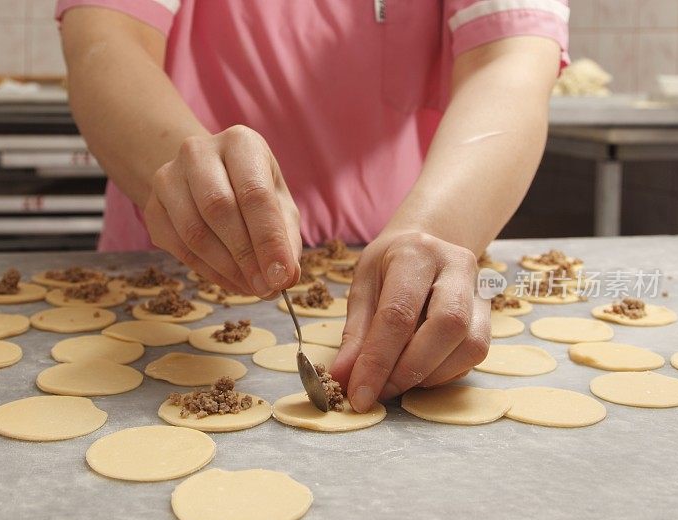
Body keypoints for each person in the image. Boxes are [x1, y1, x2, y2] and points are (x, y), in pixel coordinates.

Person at [57, 0, 569, 412]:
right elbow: (105, 41)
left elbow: (511, 61)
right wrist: (181, 174)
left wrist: (435, 230)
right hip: (170, 260)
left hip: (400, 266)